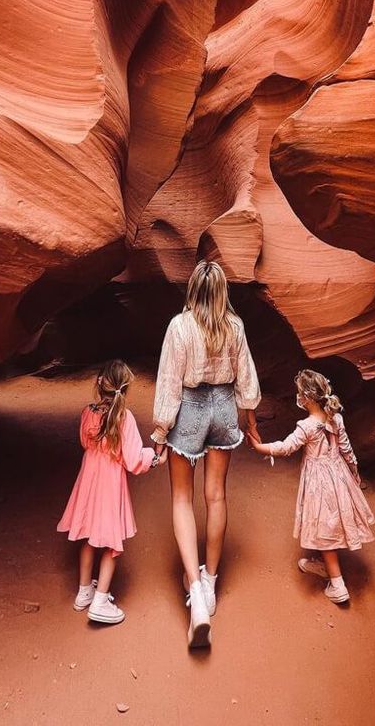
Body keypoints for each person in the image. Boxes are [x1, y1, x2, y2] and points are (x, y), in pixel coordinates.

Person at [152, 259, 261, 647]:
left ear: (193, 290)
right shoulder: (235, 326)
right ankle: (211, 581)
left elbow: (168, 383)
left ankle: (195, 592)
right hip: (225, 407)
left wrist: (161, 432)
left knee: (182, 499)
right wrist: (249, 419)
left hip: (191, 409)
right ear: (221, 293)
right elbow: (246, 376)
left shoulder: (179, 327)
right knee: (215, 496)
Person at [247, 368, 374, 604]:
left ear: (306, 397)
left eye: (299, 393)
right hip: (339, 475)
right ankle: (323, 564)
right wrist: (354, 474)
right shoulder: (336, 417)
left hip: (319, 482)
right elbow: (346, 449)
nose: (298, 397)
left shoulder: (307, 426)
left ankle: (337, 584)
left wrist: (259, 447)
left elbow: (286, 447)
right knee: (329, 521)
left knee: (323, 524)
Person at [57, 360, 163, 625]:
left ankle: (84, 592)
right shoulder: (123, 419)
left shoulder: (88, 412)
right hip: (110, 485)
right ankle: (100, 600)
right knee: (112, 545)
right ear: (124, 390)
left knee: (89, 537)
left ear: (99, 384)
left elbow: (85, 442)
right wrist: (155, 458)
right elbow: (133, 459)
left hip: (88, 481)